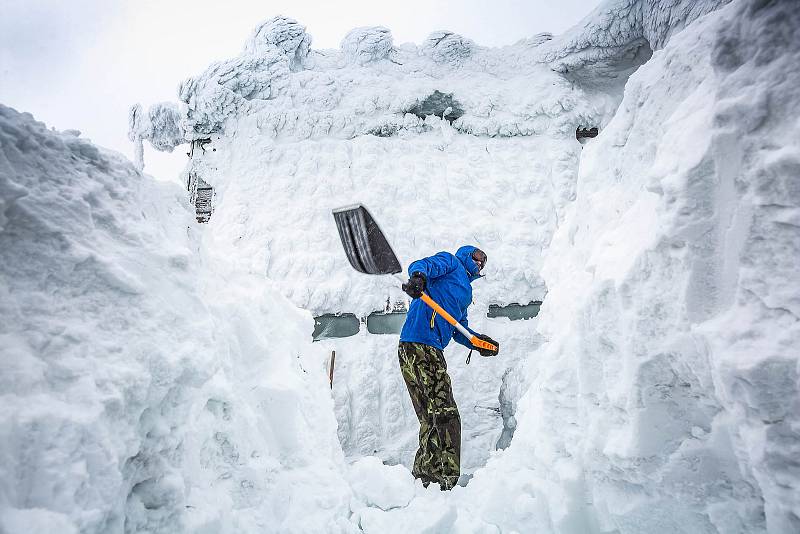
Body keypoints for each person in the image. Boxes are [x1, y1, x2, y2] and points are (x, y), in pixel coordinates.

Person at [398, 245, 500, 490]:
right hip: (423, 345)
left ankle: (424, 478)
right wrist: (419, 278)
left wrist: (477, 342)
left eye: (484, 262)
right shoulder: (450, 263)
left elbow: (459, 328)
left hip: (416, 348)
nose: (480, 263)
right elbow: (421, 265)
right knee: (446, 415)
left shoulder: (465, 293)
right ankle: (445, 480)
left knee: (430, 416)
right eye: (478, 256)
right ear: (466, 254)